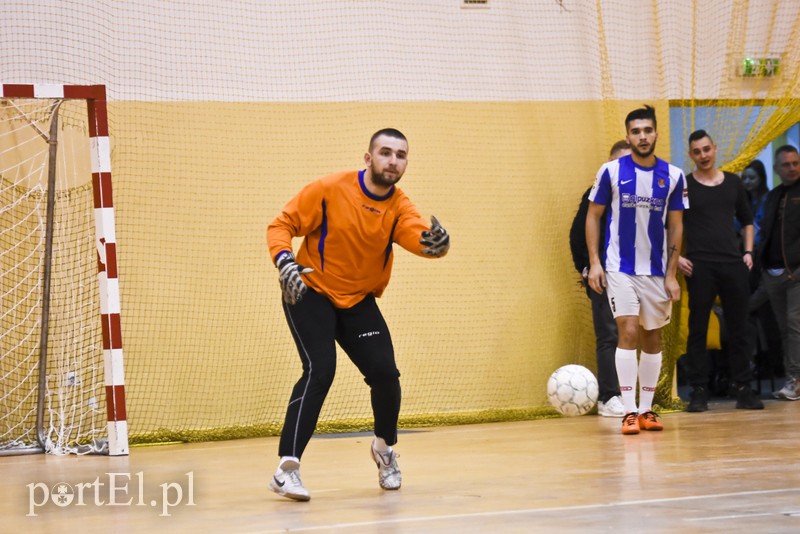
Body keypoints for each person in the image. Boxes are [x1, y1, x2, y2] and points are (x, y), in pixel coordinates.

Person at [265, 128, 450, 501]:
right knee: (320, 370)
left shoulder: (399, 206)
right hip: (308, 290)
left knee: (385, 375)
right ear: (368, 158)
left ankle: (383, 449)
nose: (392, 161)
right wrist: (284, 261)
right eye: (385, 152)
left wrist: (436, 246)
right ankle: (286, 469)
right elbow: (281, 225)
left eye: (400, 155)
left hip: (358, 300)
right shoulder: (330, 189)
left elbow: (418, 236)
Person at [586, 105, 687, 435]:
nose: (642, 136)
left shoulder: (674, 176)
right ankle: (629, 411)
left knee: (652, 337)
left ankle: (647, 409)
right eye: (636, 131)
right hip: (619, 267)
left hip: (656, 271)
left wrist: (671, 274)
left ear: (656, 133)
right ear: (628, 136)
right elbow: (593, 216)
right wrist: (596, 263)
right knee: (628, 330)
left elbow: (676, 226)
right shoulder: (611, 171)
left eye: (647, 130)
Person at [678, 129, 763, 412]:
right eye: (697, 151)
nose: (703, 155)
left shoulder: (734, 183)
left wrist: (748, 252)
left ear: (714, 149)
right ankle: (698, 391)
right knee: (698, 330)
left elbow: (747, 221)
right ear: (690, 155)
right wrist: (677, 258)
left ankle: (744, 388)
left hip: (732, 265)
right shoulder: (684, 186)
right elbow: (672, 225)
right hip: (699, 266)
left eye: (706, 149)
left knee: (740, 328)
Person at [569, 140, 631, 417]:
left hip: (633, 275)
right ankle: (609, 396)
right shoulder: (595, 194)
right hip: (604, 276)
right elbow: (577, 235)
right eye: (618, 162)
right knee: (609, 335)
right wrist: (587, 267)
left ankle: (628, 394)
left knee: (630, 335)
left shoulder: (638, 195)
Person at [758, 144, 800, 400]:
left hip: (796, 272)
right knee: (785, 328)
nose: (792, 168)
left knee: (794, 324)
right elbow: (764, 231)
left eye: (795, 163)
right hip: (772, 273)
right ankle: (792, 379)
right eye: (786, 164)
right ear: (776, 168)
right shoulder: (772, 195)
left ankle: (796, 379)